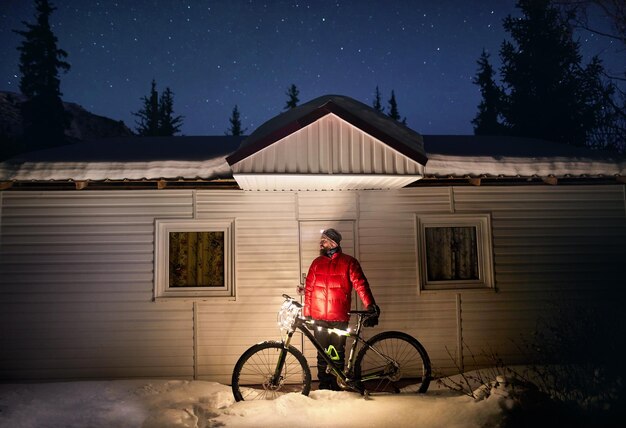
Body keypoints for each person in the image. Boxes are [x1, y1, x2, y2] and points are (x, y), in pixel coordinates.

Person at [301, 228, 380, 390]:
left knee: (337, 354)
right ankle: (324, 387)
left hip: (339, 318)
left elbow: (361, 285)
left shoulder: (349, 262)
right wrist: (307, 314)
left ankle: (337, 386)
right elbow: (309, 290)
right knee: (322, 355)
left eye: (323, 240)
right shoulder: (317, 263)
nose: (320, 243)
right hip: (319, 318)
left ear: (333, 243)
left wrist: (370, 305)